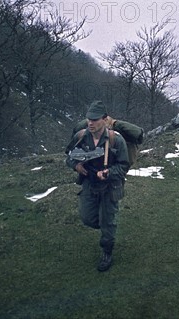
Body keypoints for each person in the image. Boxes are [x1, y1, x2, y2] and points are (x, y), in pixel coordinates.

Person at [66, 101, 130, 272]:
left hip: (110, 187)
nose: (90, 123)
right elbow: (69, 156)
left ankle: (107, 251)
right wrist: (76, 166)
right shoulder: (81, 136)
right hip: (89, 184)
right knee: (87, 218)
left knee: (108, 222)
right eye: (89, 119)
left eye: (95, 119)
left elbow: (124, 166)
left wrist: (108, 173)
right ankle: (106, 226)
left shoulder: (117, 140)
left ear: (104, 119)